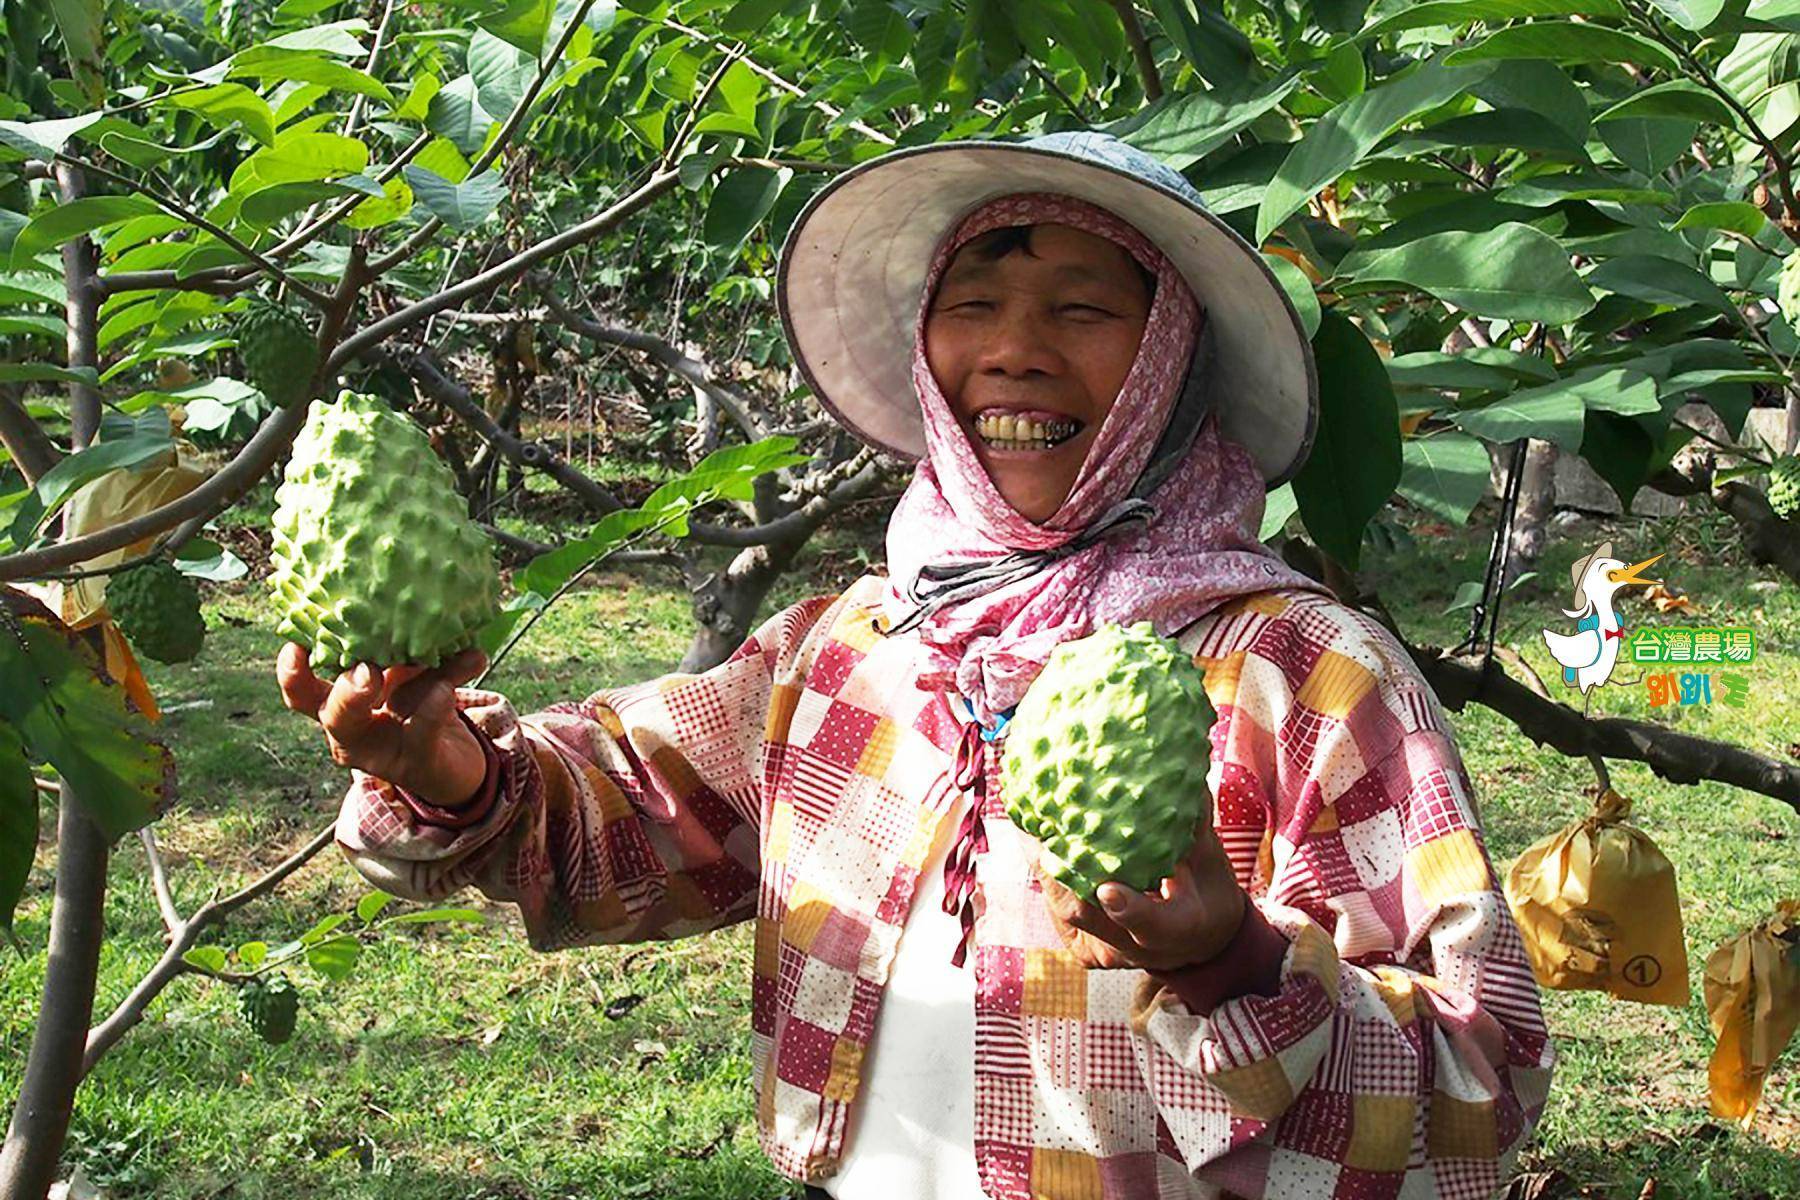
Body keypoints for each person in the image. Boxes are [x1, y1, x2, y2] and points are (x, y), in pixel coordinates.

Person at [278, 131, 1556, 1200]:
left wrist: (1234, 966)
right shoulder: (853, 649)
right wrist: (445, 766)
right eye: (975, 303)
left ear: (1172, 363)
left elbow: (1481, 1094)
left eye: (1083, 309)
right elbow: (620, 817)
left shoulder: (1304, 678)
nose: (1015, 349)